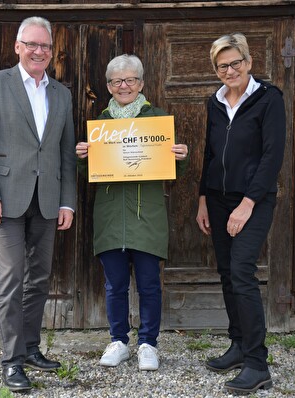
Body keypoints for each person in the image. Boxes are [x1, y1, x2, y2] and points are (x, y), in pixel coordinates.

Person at [0, 16, 76, 392]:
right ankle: (12, 361)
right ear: (18, 47)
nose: (38, 51)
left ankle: (31, 348)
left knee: (41, 278)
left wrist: (68, 203)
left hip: (46, 201)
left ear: (51, 50)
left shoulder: (61, 94)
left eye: (45, 46)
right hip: (5, 200)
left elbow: (65, 155)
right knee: (12, 277)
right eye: (31, 44)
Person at [75, 54, 189, 372]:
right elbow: (86, 174)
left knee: (150, 284)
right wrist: (82, 157)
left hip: (146, 215)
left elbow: (173, 168)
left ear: (141, 82)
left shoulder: (158, 120)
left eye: (130, 80)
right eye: (116, 81)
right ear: (109, 86)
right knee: (115, 284)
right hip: (111, 216)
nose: (123, 86)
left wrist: (181, 156)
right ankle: (119, 341)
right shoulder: (99, 125)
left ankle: (148, 344)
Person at [196, 33, 286, 394]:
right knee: (226, 273)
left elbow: (271, 157)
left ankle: (257, 363)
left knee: (241, 271)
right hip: (217, 200)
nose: (230, 70)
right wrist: (203, 197)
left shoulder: (269, 99)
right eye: (223, 65)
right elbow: (209, 153)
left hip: (254, 199)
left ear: (249, 62)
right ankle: (237, 345)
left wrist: (247, 203)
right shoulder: (215, 102)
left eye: (236, 63)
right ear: (216, 70)